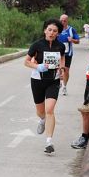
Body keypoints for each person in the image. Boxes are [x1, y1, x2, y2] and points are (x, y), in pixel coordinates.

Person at [24, 18, 66, 155]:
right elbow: (26, 62)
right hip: (37, 80)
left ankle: (49, 141)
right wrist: (37, 66)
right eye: (49, 30)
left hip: (53, 81)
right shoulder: (37, 45)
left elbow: (62, 60)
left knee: (50, 109)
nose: (52, 33)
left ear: (58, 33)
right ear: (45, 30)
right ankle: (42, 120)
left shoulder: (60, 46)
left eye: (55, 31)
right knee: (41, 112)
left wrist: (62, 69)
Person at [57, 14, 80, 96]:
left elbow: (78, 41)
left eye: (64, 21)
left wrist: (72, 39)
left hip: (68, 54)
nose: (62, 22)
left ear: (67, 21)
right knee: (58, 69)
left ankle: (64, 86)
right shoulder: (56, 29)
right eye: (61, 20)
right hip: (57, 53)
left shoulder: (71, 30)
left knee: (66, 70)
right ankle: (58, 82)